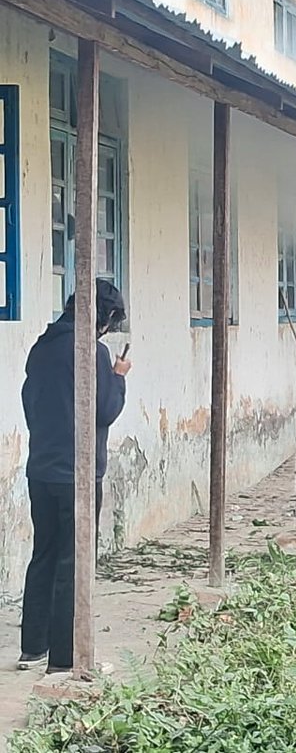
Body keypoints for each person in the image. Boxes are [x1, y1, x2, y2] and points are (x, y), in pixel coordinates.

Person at [19, 279, 130, 674]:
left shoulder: (42, 346)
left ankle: (33, 647)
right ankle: (66, 659)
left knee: (44, 554)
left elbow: (30, 400)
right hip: (78, 473)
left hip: (42, 468)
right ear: (104, 319)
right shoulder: (93, 352)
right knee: (74, 562)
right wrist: (118, 376)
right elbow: (105, 410)